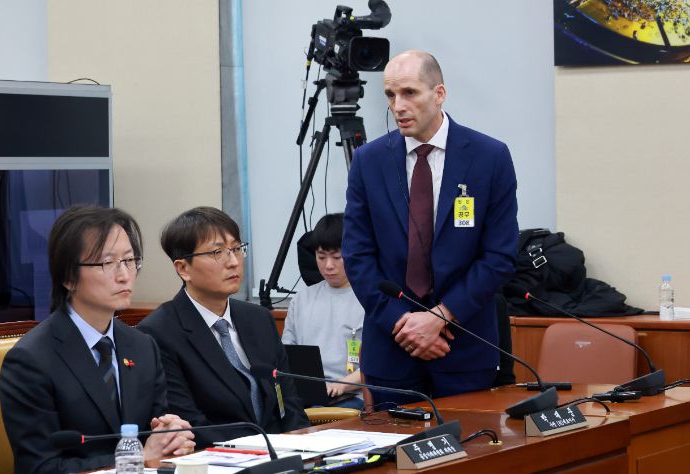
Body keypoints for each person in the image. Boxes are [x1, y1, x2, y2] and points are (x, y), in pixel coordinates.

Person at [342, 50, 519, 405]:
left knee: (470, 440)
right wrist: (403, 324)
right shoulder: (368, 161)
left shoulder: (489, 157)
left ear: (439, 94)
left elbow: (498, 256)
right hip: (392, 349)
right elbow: (358, 256)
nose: (398, 106)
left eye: (409, 93)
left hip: (463, 346)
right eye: (390, 95)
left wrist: (440, 317)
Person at [0, 205, 195, 474]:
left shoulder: (143, 346)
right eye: (107, 263)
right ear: (68, 277)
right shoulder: (30, 361)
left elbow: (153, 436)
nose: (124, 275)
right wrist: (136, 458)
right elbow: (40, 467)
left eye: (129, 260)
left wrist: (170, 437)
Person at [138, 207, 309, 449]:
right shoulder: (158, 333)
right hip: (219, 459)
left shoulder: (259, 319)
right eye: (217, 252)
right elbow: (190, 425)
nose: (233, 262)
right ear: (183, 269)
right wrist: (261, 450)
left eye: (237, 249)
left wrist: (304, 450)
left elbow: (289, 404)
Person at [282, 213, 365, 409]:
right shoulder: (302, 299)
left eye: (337, 257)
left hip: (352, 396)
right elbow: (286, 353)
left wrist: (342, 385)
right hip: (306, 394)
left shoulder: (368, 299)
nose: (328, 265)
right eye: (321, 257)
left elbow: (377, 364)